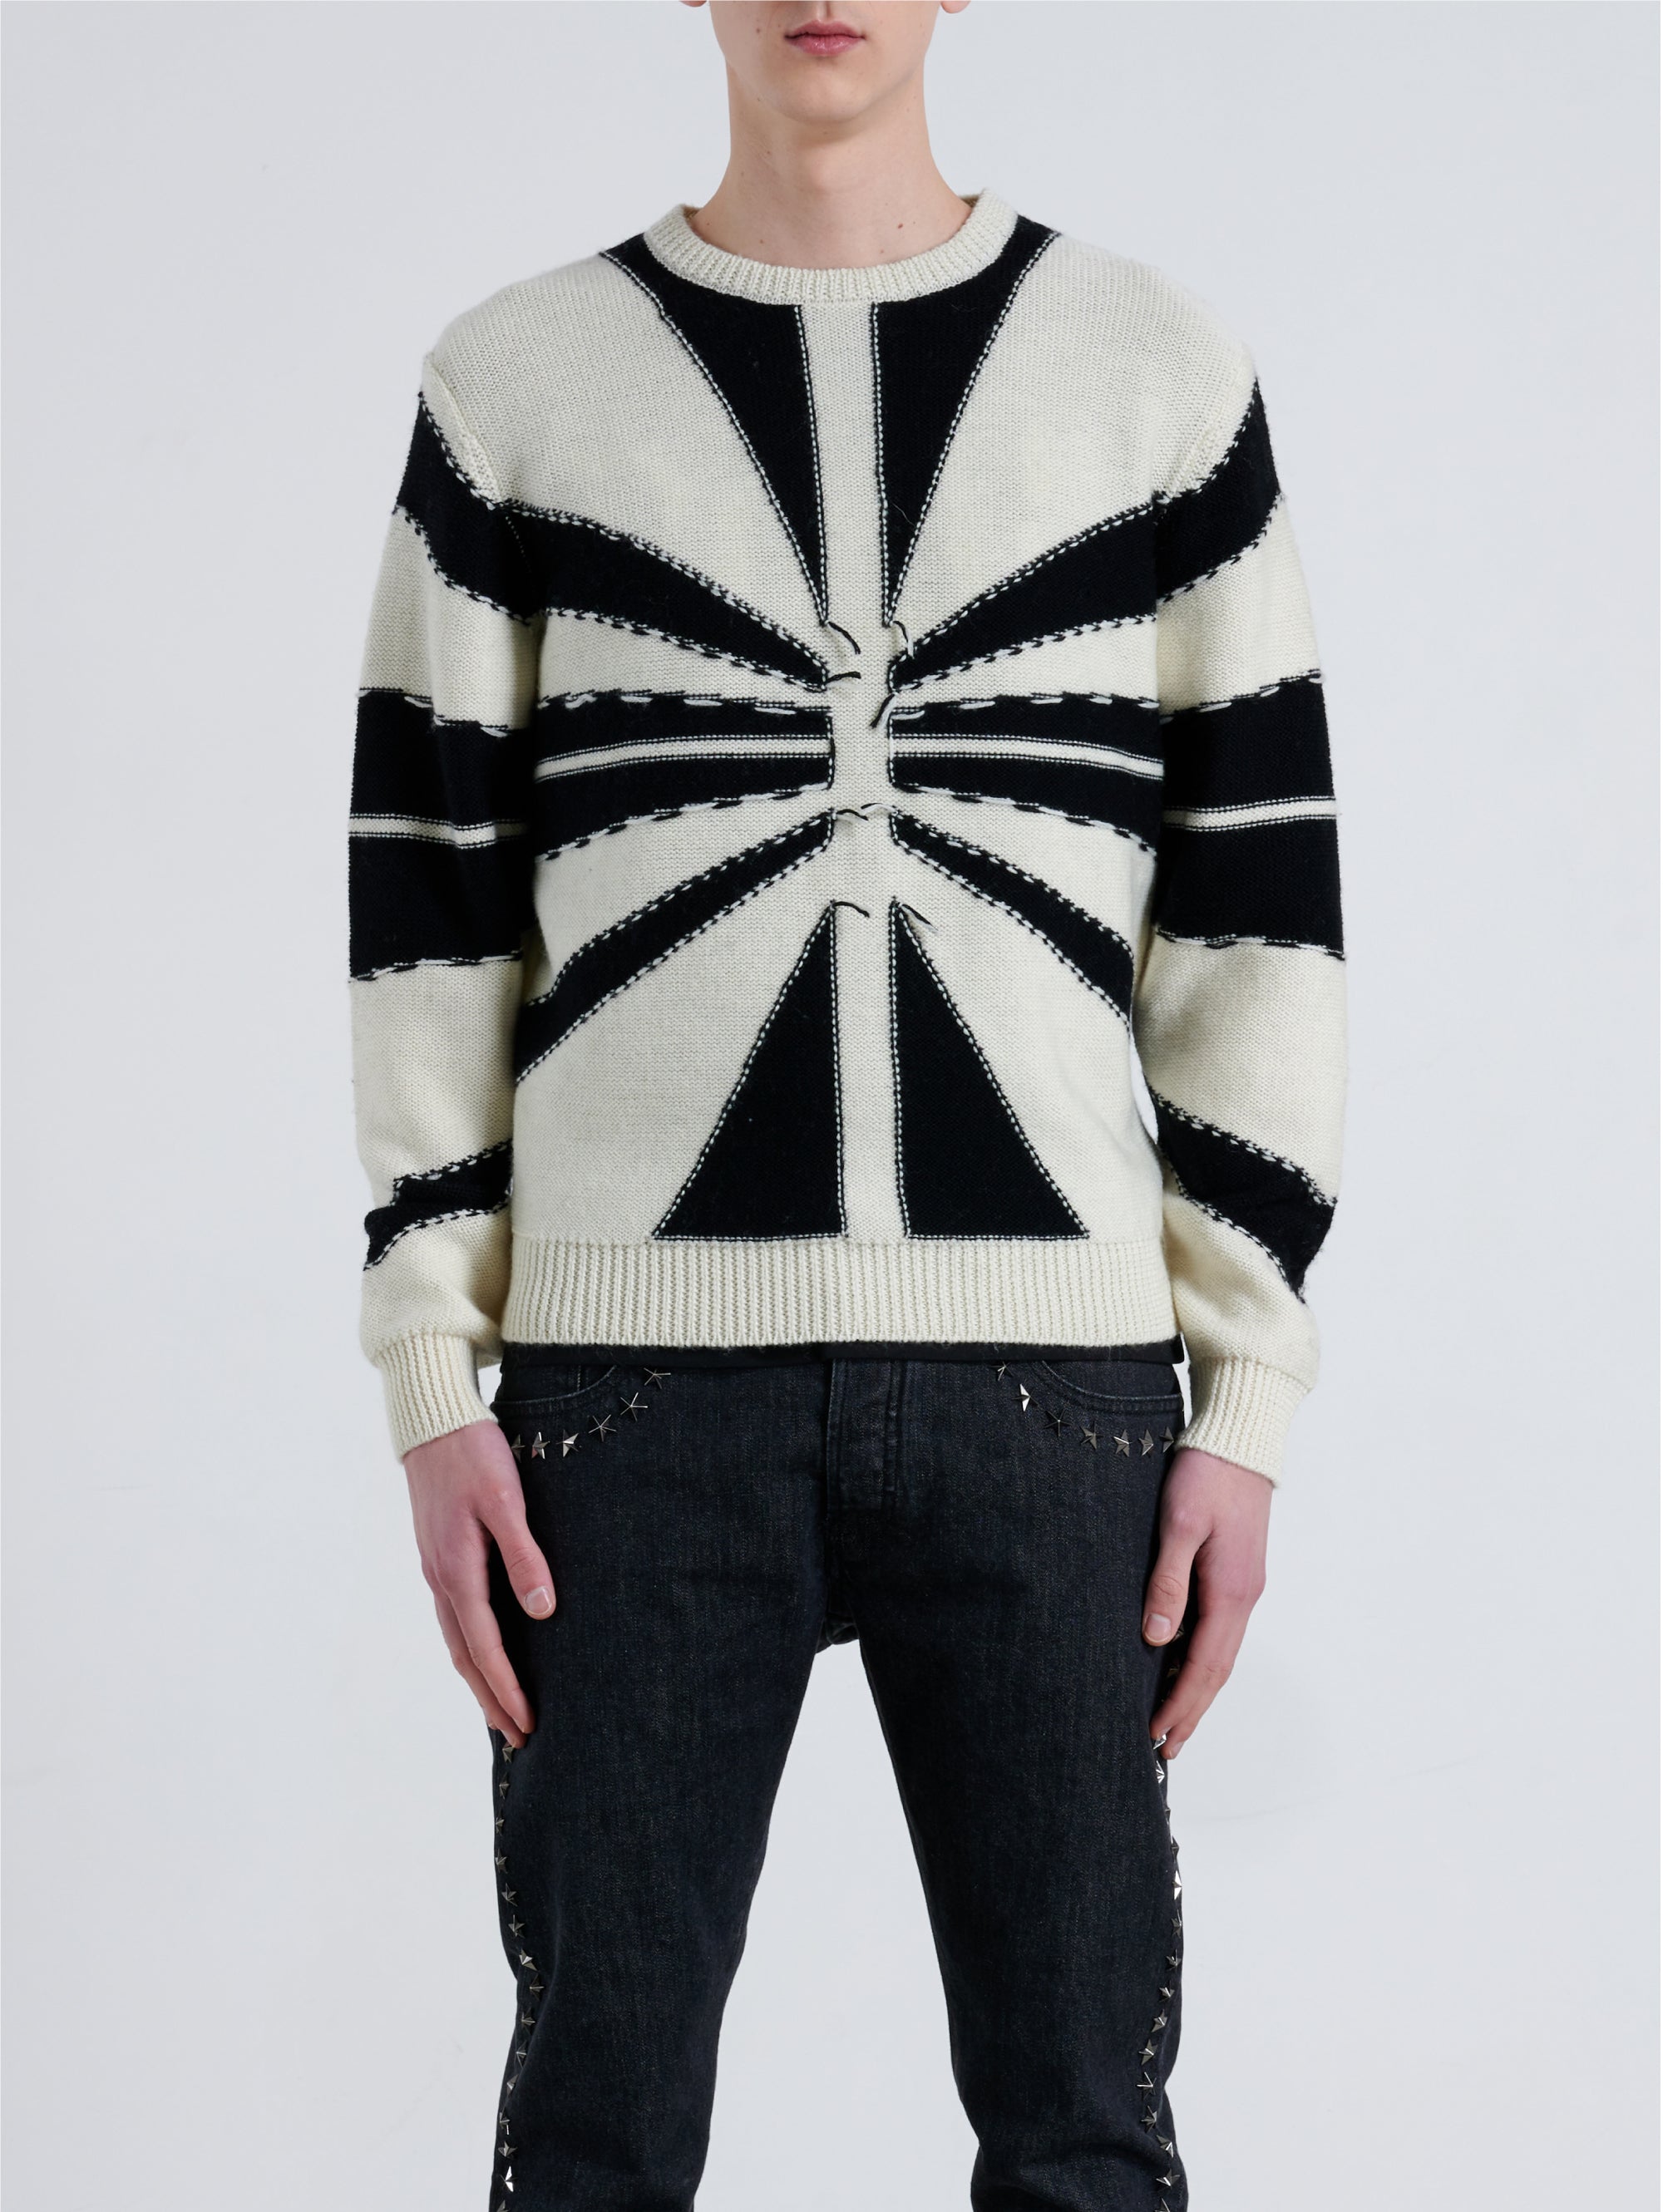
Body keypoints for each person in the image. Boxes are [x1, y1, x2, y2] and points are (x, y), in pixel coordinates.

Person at [347, 2, 1345, 2202]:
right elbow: (431, 908)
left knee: (1085, 2144)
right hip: (628, 1400)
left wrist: (1249, 1392)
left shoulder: (1156, 378)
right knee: (595, 2145)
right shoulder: (515, 393)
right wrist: (431, 1368)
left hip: (1058, 1396)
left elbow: (1257, 915)